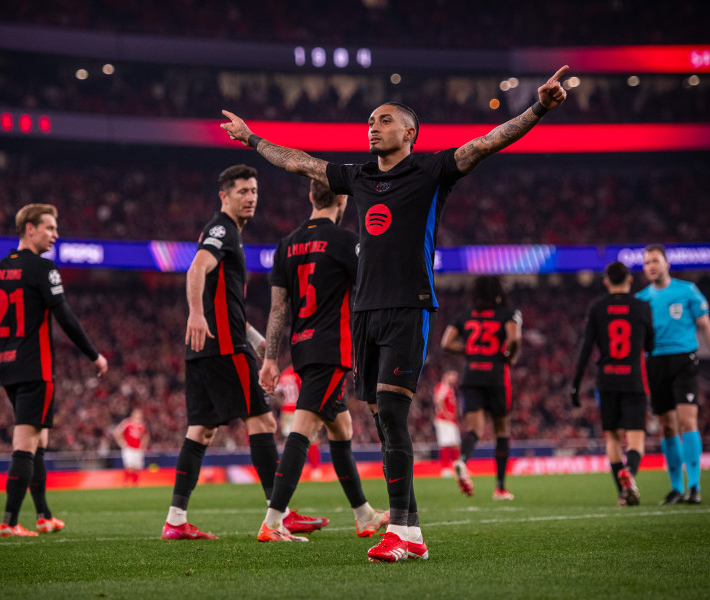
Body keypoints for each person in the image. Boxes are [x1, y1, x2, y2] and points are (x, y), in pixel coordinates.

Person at [222, 65, 568, 562]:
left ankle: (403, 532)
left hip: (408, 307)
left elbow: (487, 142)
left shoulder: (431, 171)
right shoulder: (359, 176)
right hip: (365, 312)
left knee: (391, 411)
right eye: (369, 120)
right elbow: (300, 162)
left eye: (383, 120)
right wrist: (252, 139)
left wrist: (537, 109)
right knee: (382, 420)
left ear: (409, 133)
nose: (373, 126)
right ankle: (409, 530)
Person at [161, 164, 323, 541]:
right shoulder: (222, 229)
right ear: (224, 196)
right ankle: (278, 516)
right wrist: (197, 314)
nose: (250, 197)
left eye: (253, 191)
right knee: (263, 424)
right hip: (223, 348)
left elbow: (227, 303)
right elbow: (197, 268)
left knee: (200, 431)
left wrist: (255, 339)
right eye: (242, 192)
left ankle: (175, 519)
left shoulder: (230, 233)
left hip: (206, 349)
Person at [0, 203, 108, 537]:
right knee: (26, 443)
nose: (55, 235)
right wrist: (93, 355)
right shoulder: (43, 269)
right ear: (29, 228)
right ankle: (9, 521)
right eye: (50, 228)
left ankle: (43, 515)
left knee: (39, 439)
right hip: (36, 368)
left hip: (7, 368)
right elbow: (65, 315)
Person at [257, 180, 390, 543]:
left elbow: (277, 309)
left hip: (302, 349)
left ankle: (364, 515)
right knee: (302, 429)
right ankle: (272, 521)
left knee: (341, 429)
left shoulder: (286, 246)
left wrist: (271, 359)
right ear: (343, 199)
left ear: (311, 197)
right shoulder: (346, 241)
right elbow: (368, 295)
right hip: (332, 350)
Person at [571, 261, 654, 506]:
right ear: (630, 280)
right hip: (633, 379)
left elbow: (586, 348)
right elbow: (650, 345)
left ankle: (622, 492)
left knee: (613, 439)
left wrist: (575, 384)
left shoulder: (597, 308)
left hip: (606, 380)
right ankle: (630, 473)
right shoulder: (642, 307)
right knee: (636, 439)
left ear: (606, 282)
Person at [636, 244, 710, 505]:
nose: (651, 266)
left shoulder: (687, 291)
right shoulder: (642, 299)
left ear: (667, 263)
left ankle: (695, 486)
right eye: (646, 263)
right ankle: (676, 488)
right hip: (655, 362)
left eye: (655, 261)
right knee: (667, 425)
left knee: (687, 420)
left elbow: (704, 323)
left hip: (683, 360)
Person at [441, 276, 522, 501]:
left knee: (475, 429)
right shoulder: (507, 313)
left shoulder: (465, 314)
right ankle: (500, 487)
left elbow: (446, 343)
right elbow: (514, 338)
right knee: (502, 431)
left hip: (472, 375)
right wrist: (510, 356)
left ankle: (462, 460)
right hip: (496, 377)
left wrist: (469, 351)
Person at [433, 370, 461, 478]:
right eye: (453, 376)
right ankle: (445, 469)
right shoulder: (443, 386)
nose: (455, 378)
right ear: (447, 375)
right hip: (444, 420)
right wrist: (445, 413)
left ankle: (457, 468)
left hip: (450, 421)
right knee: (446, 443)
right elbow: (438, 400)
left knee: (455, 444)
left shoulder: (449, 388)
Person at [113, 408, 149, 486]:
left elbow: (146, 436)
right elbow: (117, 432)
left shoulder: (142, 425)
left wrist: (144, 444)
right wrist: (121, 442)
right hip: (128, 448)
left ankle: (134, 483)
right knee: (129, 465)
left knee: (137, 467)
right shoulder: (127, 423)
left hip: (138, 449)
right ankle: (126, 481)